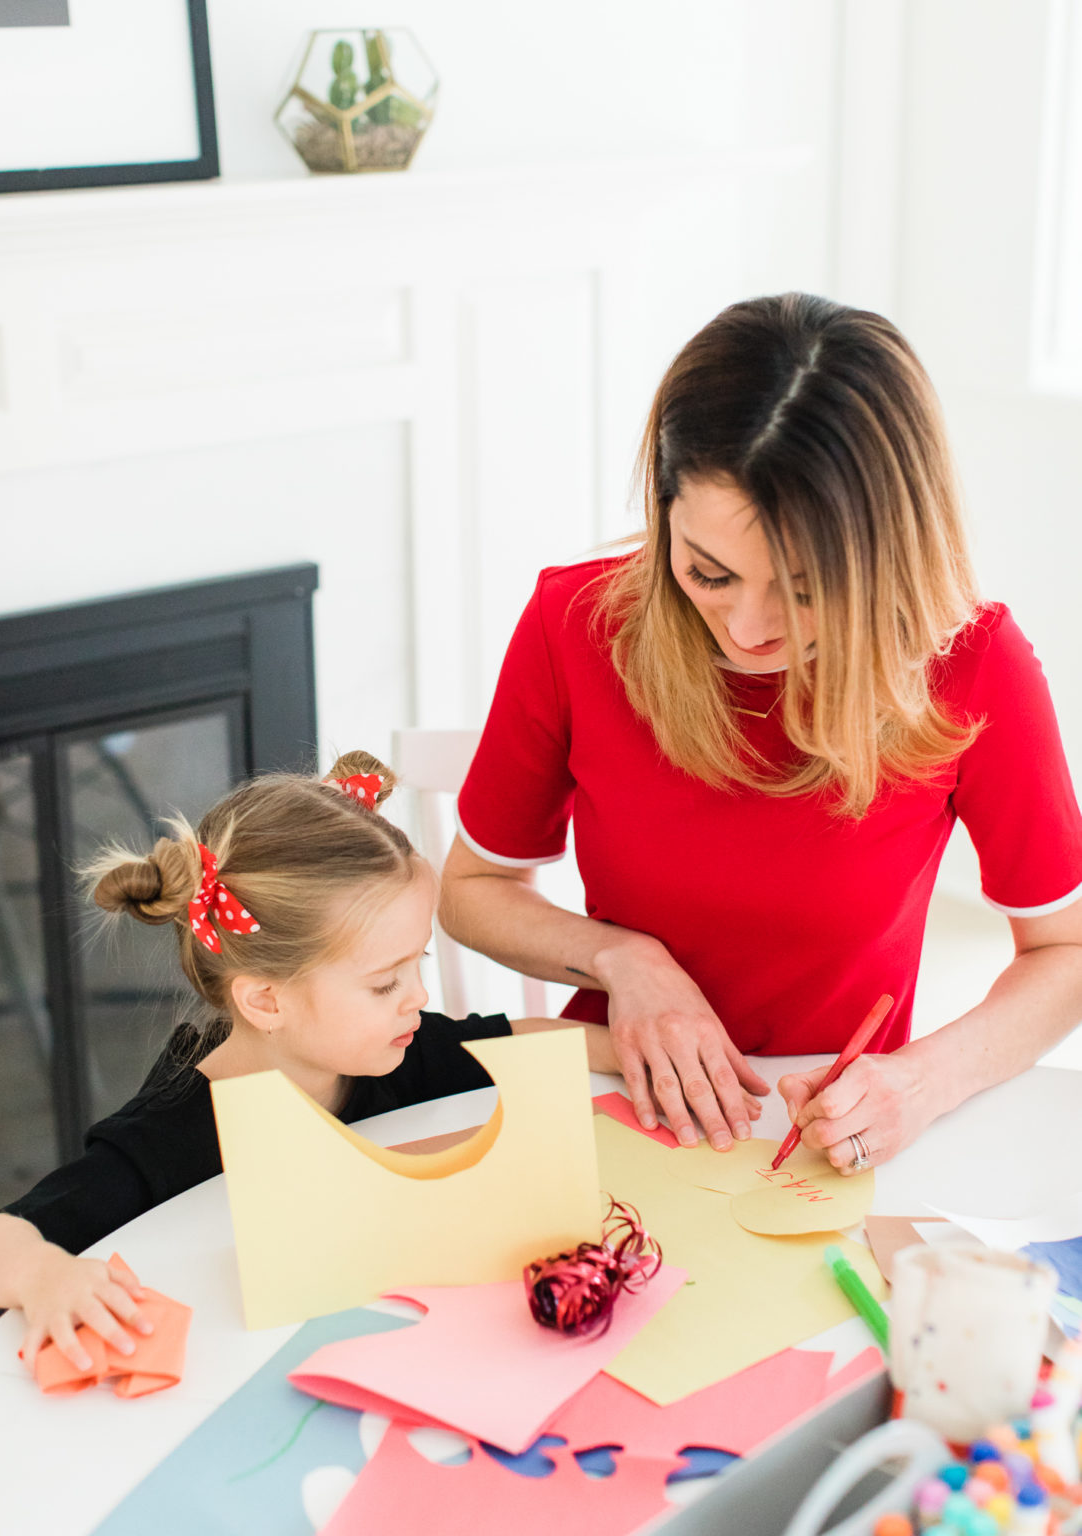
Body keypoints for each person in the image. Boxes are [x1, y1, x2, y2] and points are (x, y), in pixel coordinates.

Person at [440, 292, 1082, 1172]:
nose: (747, 629)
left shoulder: (971, 664)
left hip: (830, 1133)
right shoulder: (576, 623)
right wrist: (622, 961)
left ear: (888, 555)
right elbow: (472, 886)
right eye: (709, 573)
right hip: (609, 1100)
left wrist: (922, 1083)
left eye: (807, 589)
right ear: (664, 508)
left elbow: (1066, 951)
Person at [0, 750, 617, 1371]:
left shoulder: (398, 1046)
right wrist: (45, 1277)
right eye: (383, 983)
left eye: (416, 965)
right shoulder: (171, 1134)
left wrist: (652, 1049)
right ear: (265, 1000)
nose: (418, 998)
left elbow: (523, 1039)